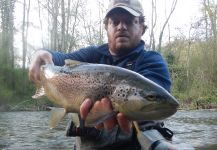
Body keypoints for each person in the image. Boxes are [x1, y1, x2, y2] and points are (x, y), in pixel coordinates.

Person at [29, 0, 175, 149]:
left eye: (130, 21)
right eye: (115, 22)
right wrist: (41, 54)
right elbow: (57, 61)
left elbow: (155, 100)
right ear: (106, 26)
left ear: (142, 28)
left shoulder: (152, 60)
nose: (121, 27)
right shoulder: (93, 54)